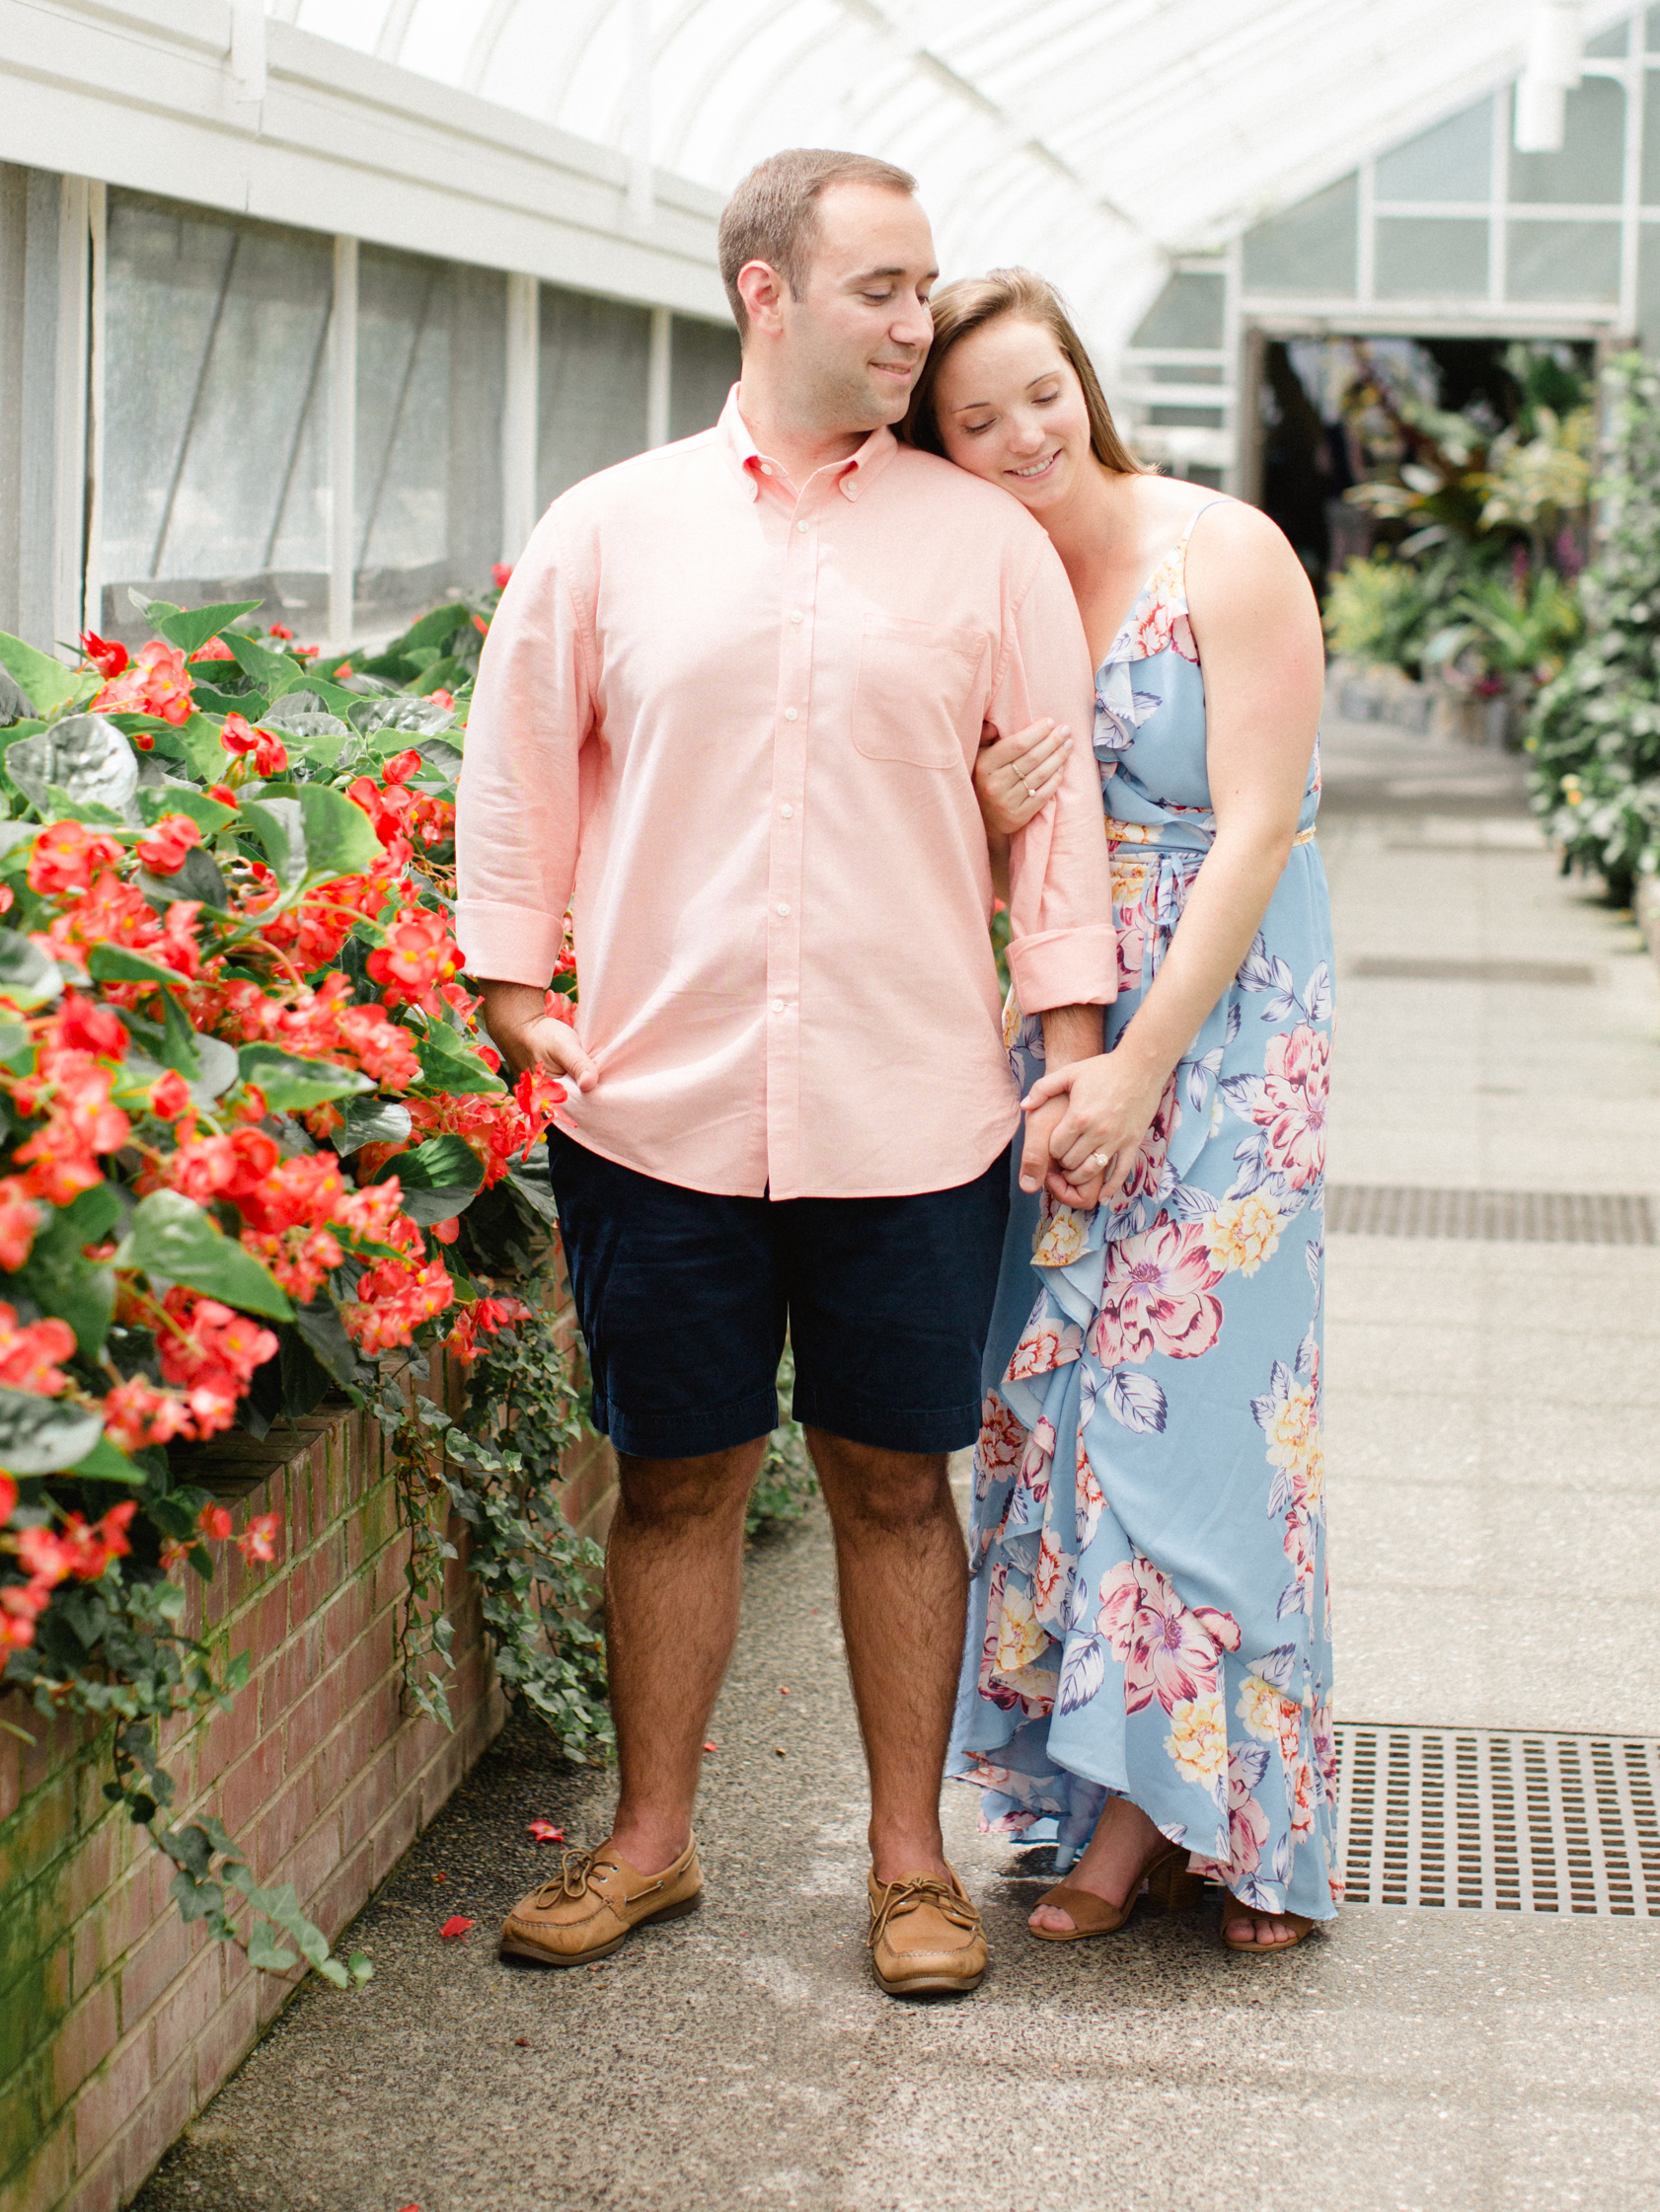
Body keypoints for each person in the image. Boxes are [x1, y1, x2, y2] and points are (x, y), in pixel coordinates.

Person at [453, 156, 1116, 1998]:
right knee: (674, 1478)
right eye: (885, 290)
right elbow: (520, 771)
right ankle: (648, 1849)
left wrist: (1070, 1049)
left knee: (900, 1485)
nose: (922, 324)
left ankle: (914, 1872)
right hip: (659, 1106)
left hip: (913, 1108)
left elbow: (1053, 824)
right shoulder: (611, 529)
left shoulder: (984, 547)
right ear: (768, 293)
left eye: (926, 291)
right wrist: (517, 999)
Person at [908, 268, 1339, 1953]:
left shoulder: (1221, 550)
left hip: (1227, 1039)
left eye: (1041, 393)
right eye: (975, 419)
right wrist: (980, 801)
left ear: (1082, 378)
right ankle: (1112, 1807)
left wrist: (1149, 1061)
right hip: (1065, 1030)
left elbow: (1255, 830)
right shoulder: (994, 589)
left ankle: (1226, 1825)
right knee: (1073, 1407)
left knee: (1203, 1415)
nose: (1024, 434)